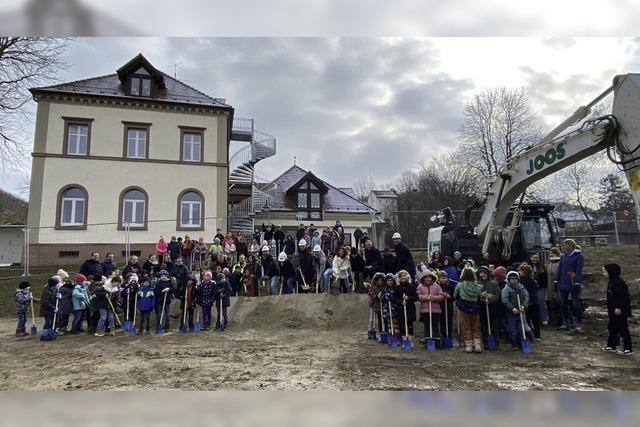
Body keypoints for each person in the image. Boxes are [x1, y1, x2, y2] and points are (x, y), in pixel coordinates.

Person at [554, 239, 584, 332]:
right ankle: (565, 322)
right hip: (563, 282)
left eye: (564, 245)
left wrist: (577, 282)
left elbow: (579, 270)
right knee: (563, 304)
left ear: (570, 246)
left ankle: (578, 324)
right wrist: (556, 280)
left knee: (575, 304)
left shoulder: (578, 256)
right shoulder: (563, 256)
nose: (563, 247)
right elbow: (560, 268)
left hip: (573, 283)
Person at [602, 263, 633, 355]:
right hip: (612, 310)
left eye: (605, 271)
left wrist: (618, 307)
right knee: (612, 328)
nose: (604, 273)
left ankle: (628, 348)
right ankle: (612, 345)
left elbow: (622, 297)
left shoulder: (619, 283)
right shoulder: (611, 281)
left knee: (622, 328)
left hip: (620, 310)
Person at [453, 268, 485, 353]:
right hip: (475, 307)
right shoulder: (477, 285)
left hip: (464, 308)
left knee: (466, 326)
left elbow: (455, 294)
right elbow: (480, 294)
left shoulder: (460, 285)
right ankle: (477, 345)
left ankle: (469, 346)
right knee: (476, 327)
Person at [501, 271, 530, 351]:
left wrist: (524, 306)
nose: (514, 280)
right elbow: (505, 300)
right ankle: (514, 344)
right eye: (512, 279)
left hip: (521, 311)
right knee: (513, 330)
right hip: (511, 313)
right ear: (508, 280)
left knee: (522, 329)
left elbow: (526, 296)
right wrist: (512, 308)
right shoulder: (506, 289)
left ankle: (522, 343)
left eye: (515, 279)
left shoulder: (521, 287)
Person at [416, 270, 444, 346]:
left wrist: (434, 298)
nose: (428, 279)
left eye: (429, 277)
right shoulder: (420, 287)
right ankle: (428, 341)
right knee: (427, 326)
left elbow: (441, 296)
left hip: (435, 310)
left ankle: (438, 342)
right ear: (423, 278)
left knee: (435, 326)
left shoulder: (437, 286)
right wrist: (427, 297)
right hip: (425, 310)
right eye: (426, 277)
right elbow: (419, 297)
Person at [477, 266, 502, 347]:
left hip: (493, 308)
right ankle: (486, 342)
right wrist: (481, 297)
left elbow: (497, 295)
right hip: (482, 308)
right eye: (481, 273)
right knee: (484, 326)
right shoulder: (477, 284)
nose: (483, 275)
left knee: (494, 326)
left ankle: (496, 342)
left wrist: (490, 300)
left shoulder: (493, 283)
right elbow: (476, 295)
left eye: (484, 273)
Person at [519, 263, 541, 340]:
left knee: (535, 320)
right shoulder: (522, 281)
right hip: (529, 303)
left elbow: (533, 292)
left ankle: (536, 335)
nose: (519, 272)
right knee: (528, 320)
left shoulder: (530, 281)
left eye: (521, 271)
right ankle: (531, 335)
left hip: (532, 303)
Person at [530, 253, 549, 325]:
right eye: (533, 257)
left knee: (541, 302)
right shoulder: (528, 266)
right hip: (532, 287)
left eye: (536, 258)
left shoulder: (542, 266)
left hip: (541, 286)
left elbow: (544, 277)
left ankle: (544, 318)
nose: (535, 259)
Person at [380, 273, 399, 341]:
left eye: (391, 280)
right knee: (389, 323)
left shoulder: (395, 288)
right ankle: (390, 336)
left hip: (394, 308)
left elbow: (396, 297)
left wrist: (391, 298)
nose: (390, 282)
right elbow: (383, 298)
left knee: (395, 323)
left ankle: (396, 336)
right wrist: (382, 297)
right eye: (388, 281)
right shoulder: (384, 289)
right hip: (387, 308)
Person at [437, 270, 454, 342]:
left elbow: (454, 297)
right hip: (440, 307)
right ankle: (443, 336)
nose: (443, 279)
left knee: (449, 322)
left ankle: (449, 336)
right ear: (439, 279)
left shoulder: (450, 287)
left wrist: (449, 297)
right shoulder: (437, 287)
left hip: (449, 307)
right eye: (441, 278)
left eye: (444, 278)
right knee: (442, 323)